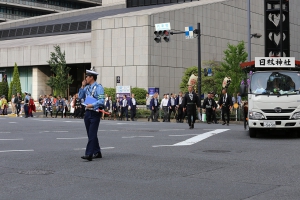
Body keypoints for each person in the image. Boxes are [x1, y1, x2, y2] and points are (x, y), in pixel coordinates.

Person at [78, 69, 105, 161]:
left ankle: (89, 154)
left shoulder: (98, 87)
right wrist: (82, 86)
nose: (86, 78)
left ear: (91, 77)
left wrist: (92, 105)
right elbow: (80, 97)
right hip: (87, 112)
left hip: (95, 112)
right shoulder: (87, 87)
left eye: (87, 76)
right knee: (90, 134)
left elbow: (101, 101)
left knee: (92, 133)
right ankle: (97, 152)